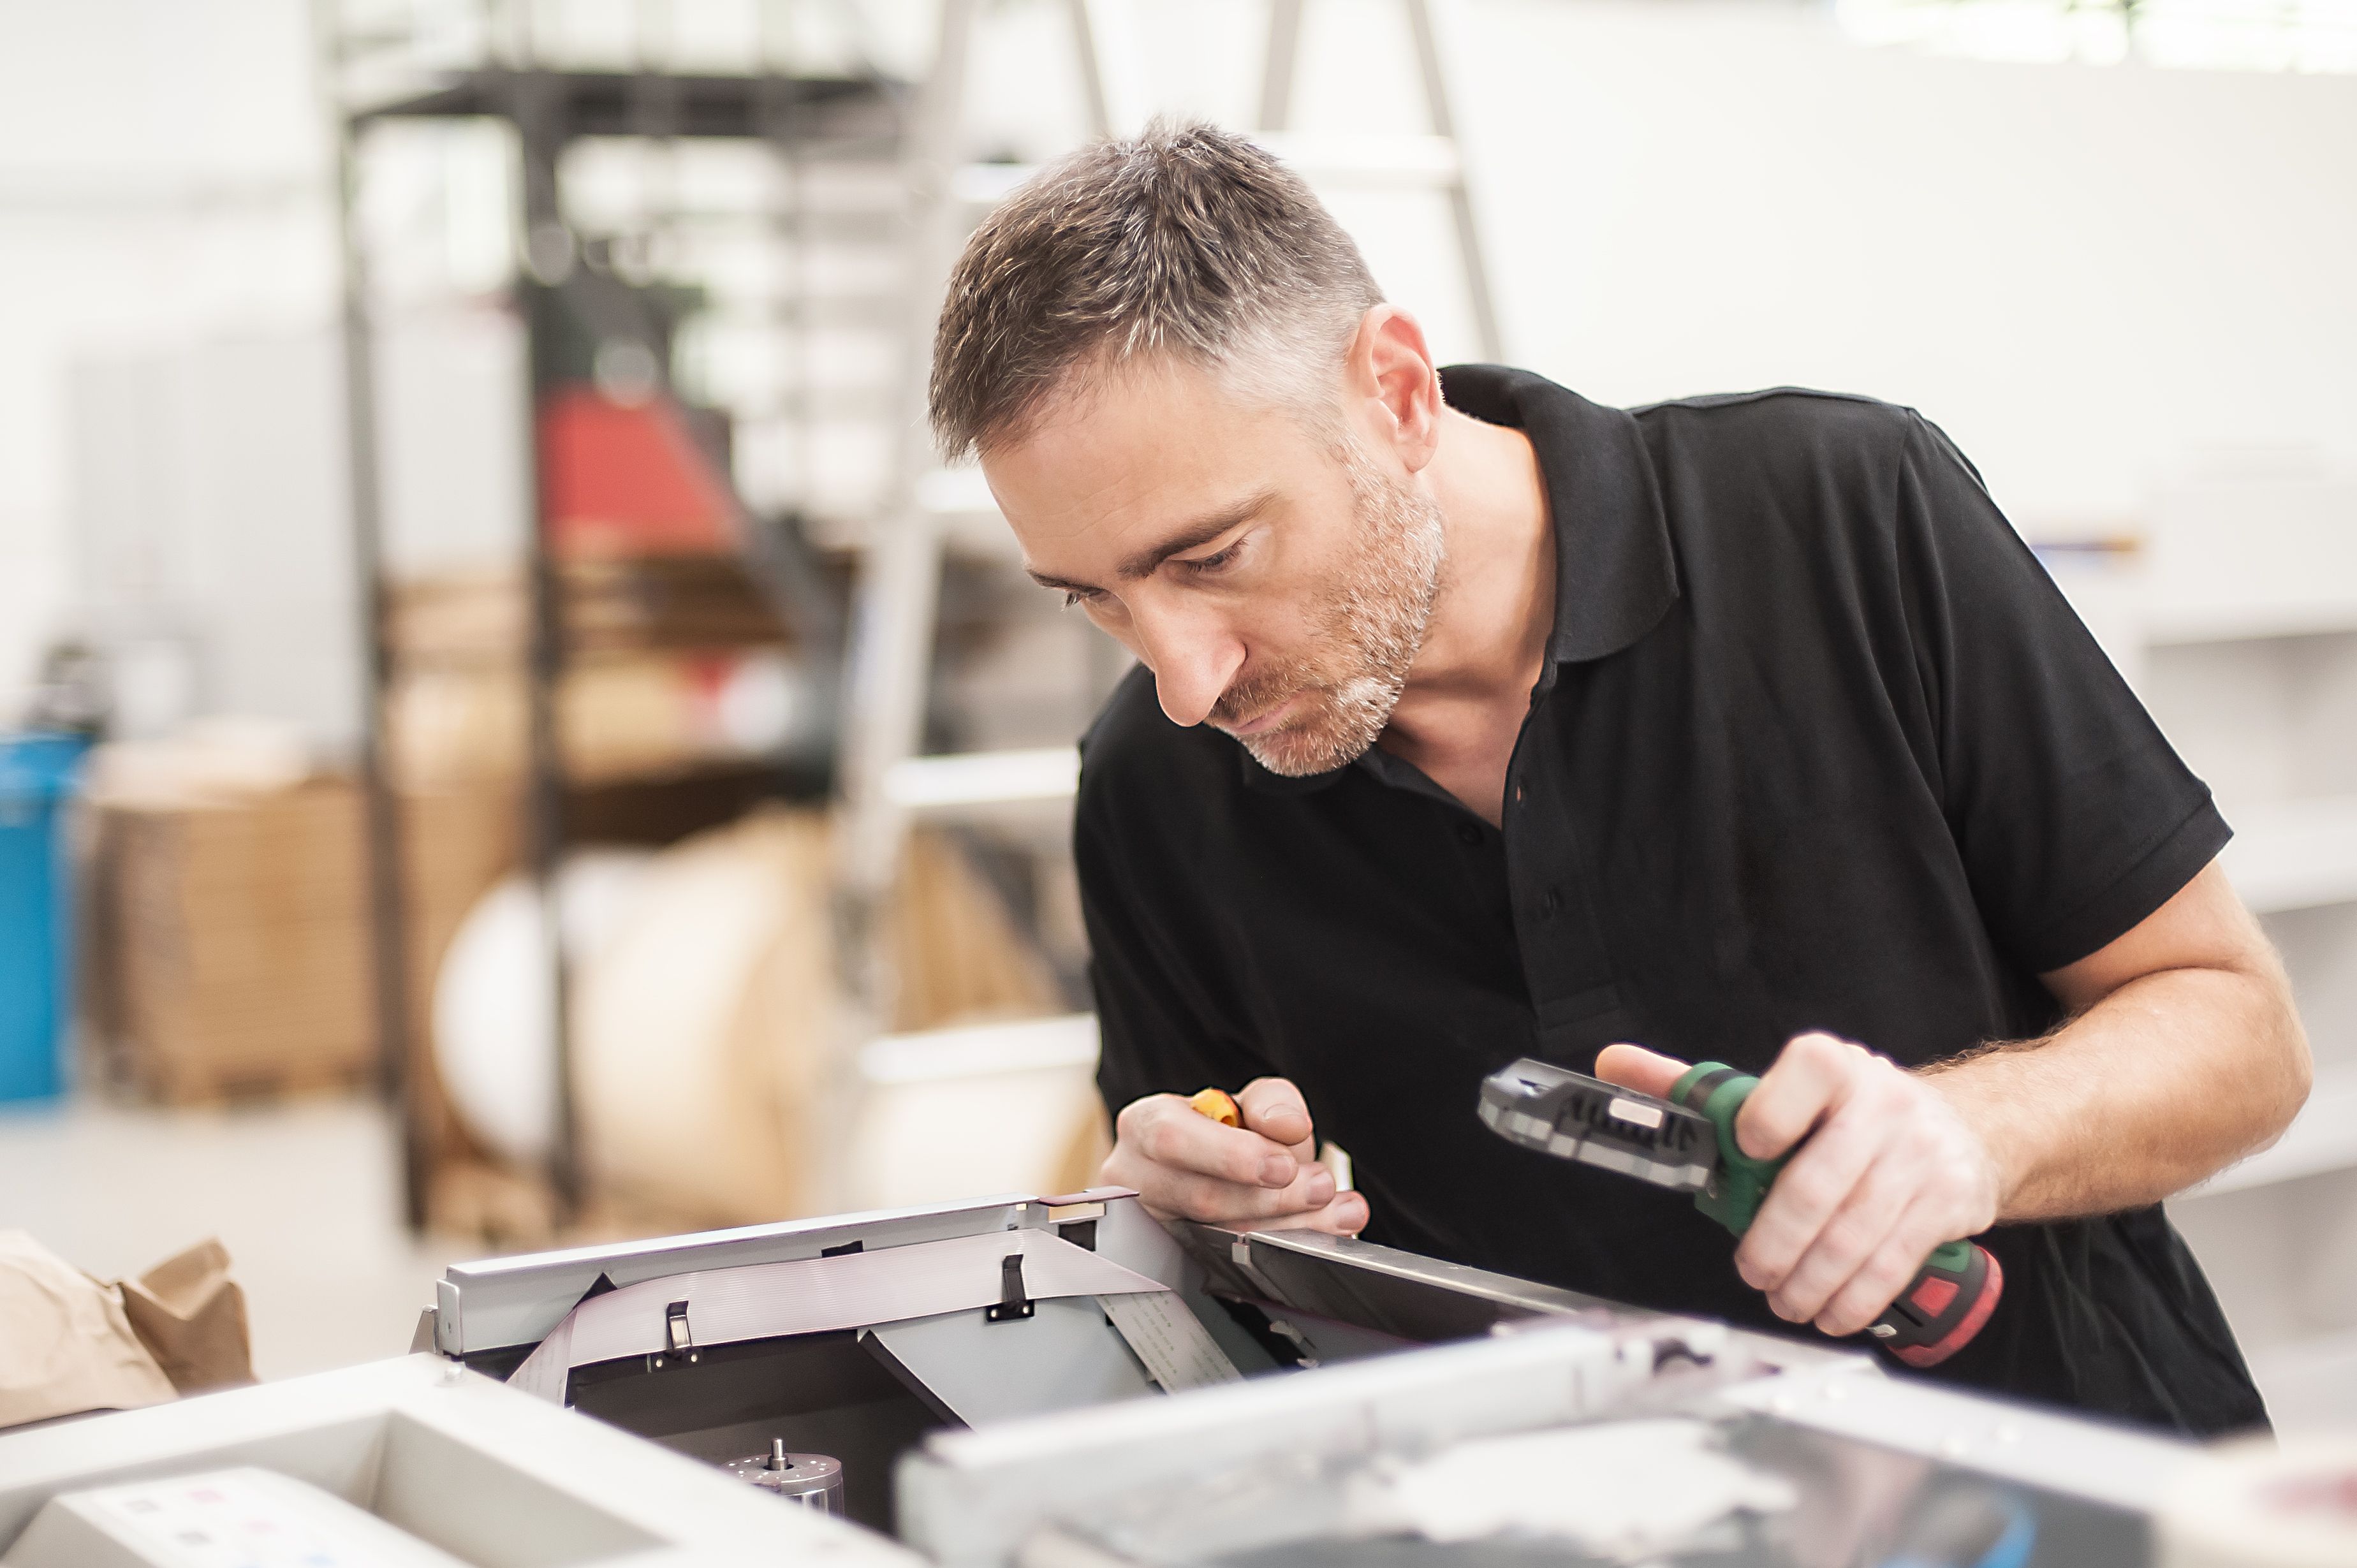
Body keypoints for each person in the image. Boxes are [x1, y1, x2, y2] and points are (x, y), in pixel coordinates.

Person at [925, 121, 2309, 1435]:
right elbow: (1205, 1270)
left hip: (2080, 1485)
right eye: (1089, 598)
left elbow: (2241, 1034)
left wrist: (1966, 1134)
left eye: (1211, 557)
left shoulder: (1844, 513)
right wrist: (1168, 1220)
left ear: (1397, 392)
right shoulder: (1150, 779)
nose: (1184, 680)